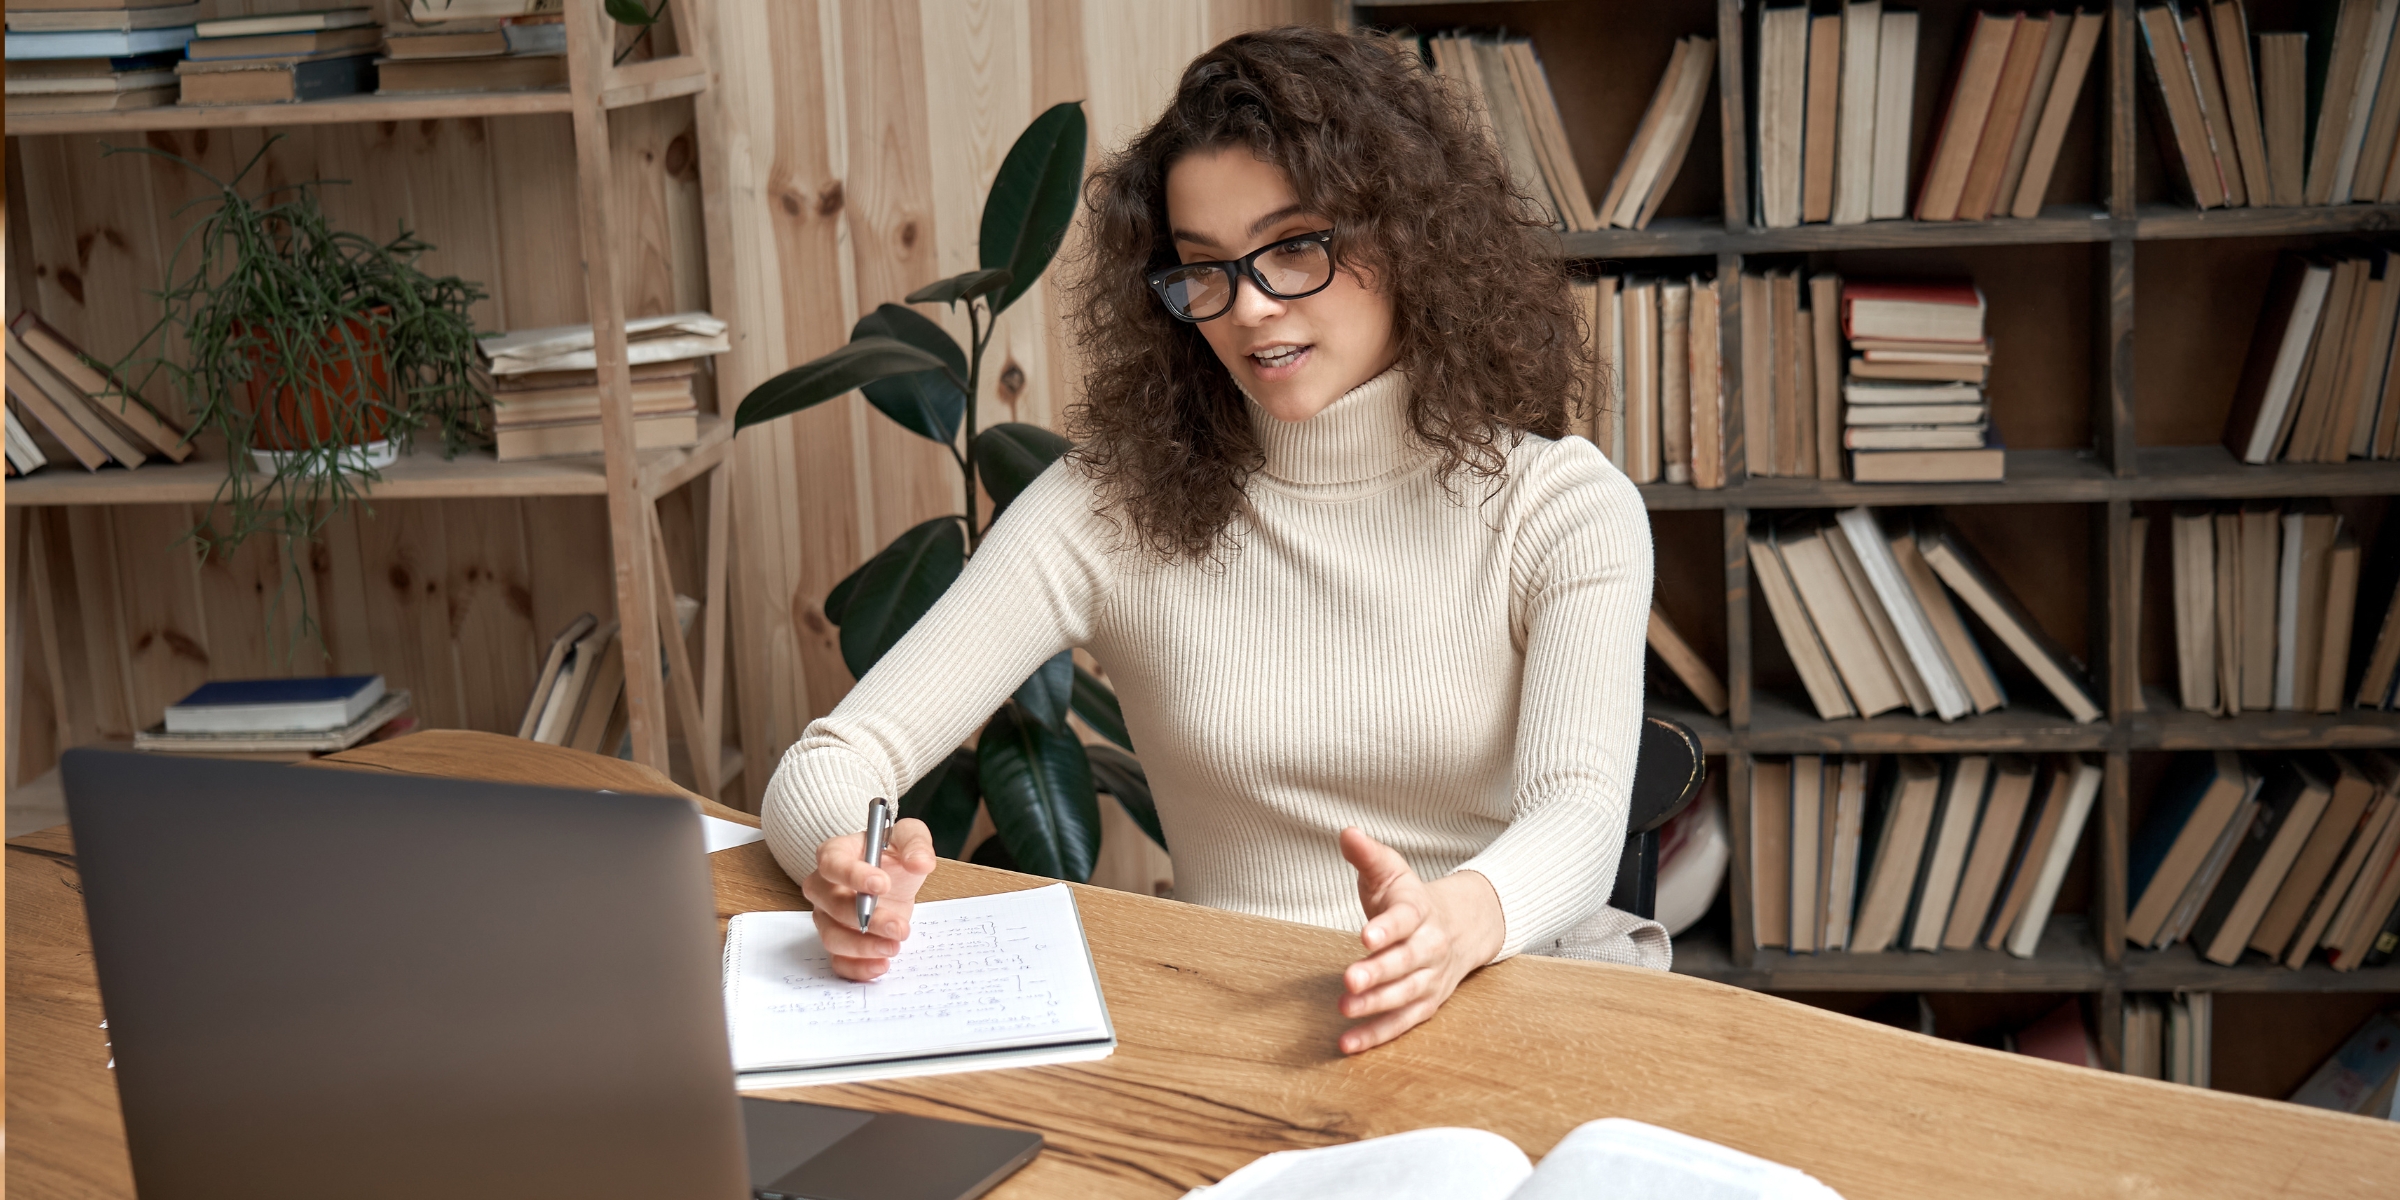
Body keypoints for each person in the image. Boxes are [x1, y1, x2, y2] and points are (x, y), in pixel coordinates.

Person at [762, 26, 1660, 1056]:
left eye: (1294, 247)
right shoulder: (1109, 505)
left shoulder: (1558, 506)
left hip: (1502, 1001)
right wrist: (847, 864)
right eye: (1205, 270)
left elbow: (1580, 819)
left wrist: (1453, 925)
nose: (1252, 310)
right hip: (1233, 1034)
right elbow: (836, 759)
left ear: (1408, 236)